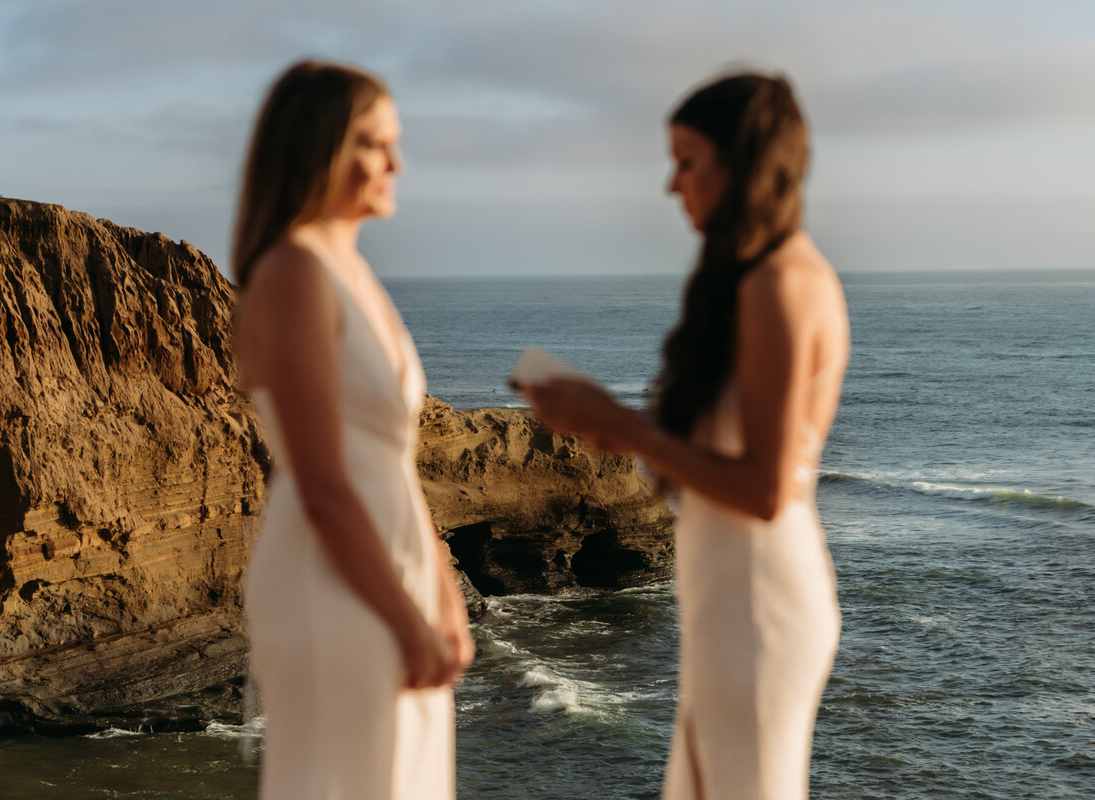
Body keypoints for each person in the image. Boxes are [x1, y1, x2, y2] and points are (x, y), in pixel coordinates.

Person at [524, 72, 847, 800]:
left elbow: (767, 489)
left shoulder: (781, 286)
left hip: (761, 597)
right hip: (730, 592)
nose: (672, 187)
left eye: (687, 161)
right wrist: (613, 428)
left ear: (744, 164)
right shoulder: (756, 280)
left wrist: (628, 428)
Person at [232, 59, 473, 800]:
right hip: (331, 575)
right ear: (318, 148)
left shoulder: (354, 273)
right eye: (374, 142)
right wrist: (407, 621)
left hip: (389, 562)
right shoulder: (294, 273)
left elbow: (395, 465)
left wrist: (446, 598)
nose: (397, 162)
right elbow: (323, 483)